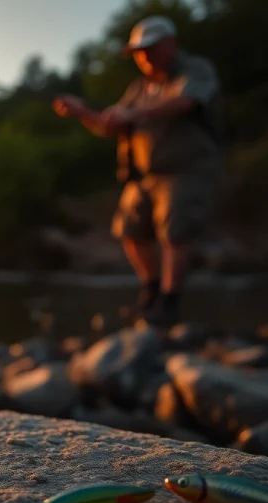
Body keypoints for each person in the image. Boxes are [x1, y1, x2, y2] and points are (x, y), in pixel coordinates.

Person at [52, 15, 223, 327]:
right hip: (145, 175)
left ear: (170, 44)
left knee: (175, 234)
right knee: (129, 232)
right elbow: (110, 125)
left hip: (187, 168)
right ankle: (152, 291)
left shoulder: (194, 70)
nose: (144, 57)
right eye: (138, 52)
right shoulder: (139, 87)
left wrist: (133, 113)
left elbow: (186, 103)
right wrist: (80, 112)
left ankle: (170, 304)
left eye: (150, 49)